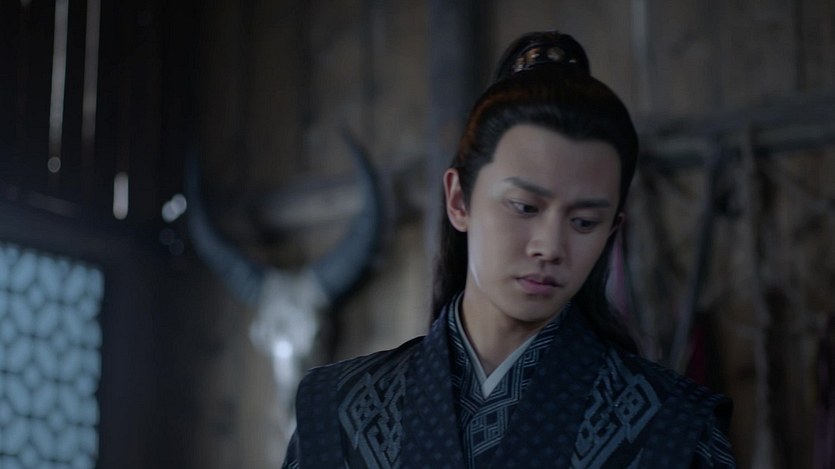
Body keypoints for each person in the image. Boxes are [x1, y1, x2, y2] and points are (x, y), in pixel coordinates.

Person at [282, 30, 735, 468]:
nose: (550, 247)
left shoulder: (675, 427)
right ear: (459, 201)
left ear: (612, 229)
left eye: (584, 222)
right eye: (524, 206)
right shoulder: (334, 413)